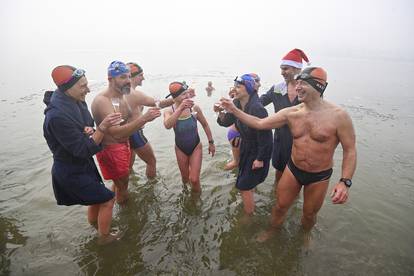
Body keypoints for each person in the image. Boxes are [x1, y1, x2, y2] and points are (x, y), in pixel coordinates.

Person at [220, 67, 357, 240]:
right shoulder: (292, 113)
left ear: (319, 86)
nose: (297, 87)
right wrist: (234, 110)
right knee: (279, 206)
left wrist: (345, 182)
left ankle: (305, 236)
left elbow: (350, 150)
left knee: (309, 214)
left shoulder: (339, 116)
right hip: (293, 169)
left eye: (302, 83)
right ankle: (272, 231)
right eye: (297, 83)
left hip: (319, 176)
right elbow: (260, 123)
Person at [43, 65, 123, 244]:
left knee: (96, 199)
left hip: (84, 165)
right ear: (66, 88)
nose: (87, 90)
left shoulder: (77, 100)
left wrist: (89, 130)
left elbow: (86, 124)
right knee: (108, 199)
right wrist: (102, 128)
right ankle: (104, 239)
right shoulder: (56, 117)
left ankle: (96, 226)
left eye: (87, 85)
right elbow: (82, 150)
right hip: (70, 170)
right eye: (82, 86)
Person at [91, 61, 161, 204]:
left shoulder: (123, 96)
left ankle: (116, 208)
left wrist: (178, 97)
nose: (128, 80)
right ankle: (126, 216)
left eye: (129, 76)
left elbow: (156, 103)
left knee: (122, 184)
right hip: (112, 150)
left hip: (124, 146)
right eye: (123, 77)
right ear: (110, 79)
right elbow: (116, 133)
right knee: (122, 188)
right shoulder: (102, 101)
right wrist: (144, 119)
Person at [215, 74, 272, 217]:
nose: (235, 89)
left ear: (248, 89)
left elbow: (266, 138)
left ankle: (248, 216)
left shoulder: (257, 108)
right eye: (235, 86)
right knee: (245, 181)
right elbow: (226, 122)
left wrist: (260, 159)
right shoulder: (237, 103)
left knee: (243, 186)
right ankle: (250, 204)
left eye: (238, 86)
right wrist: (220, 112)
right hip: (245, 147)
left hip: (257, 150)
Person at [260, 48, 309, 184]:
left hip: (301, 141)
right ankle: (276, 197)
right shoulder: (278, 88)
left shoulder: (307, 90)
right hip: (281, 139)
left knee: (297, 178)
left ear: (297, 69)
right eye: (281, 69)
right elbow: (260, 103)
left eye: (286, 68)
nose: (282, 72)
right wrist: (239, 101)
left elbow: (318, 111)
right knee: (279, 174)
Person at [163, 81, 215, 193]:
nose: (187, 96)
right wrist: (180, 109)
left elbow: (205, 125)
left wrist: (211, 142)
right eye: (183, 94)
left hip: (195, 146)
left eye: (187, 93)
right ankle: (186, 197)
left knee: (194, 179)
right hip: (180, 148)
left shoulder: (194, 108)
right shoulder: (169, 111)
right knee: (185, 179)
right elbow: (167, 125)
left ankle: (197, 202)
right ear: (174, 98)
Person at [124, 62, 174, 178]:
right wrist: (177, 97)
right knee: (151, 161)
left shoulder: (122, 92)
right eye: (141, 75)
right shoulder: (134, 93)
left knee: (128, 166)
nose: (143, 78)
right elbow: (158, 104)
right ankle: (152, 188)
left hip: (125, 133)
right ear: (132, 76)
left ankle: (127, 187)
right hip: (135, 134)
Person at [224, 73, 261, 170]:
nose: (259, 84)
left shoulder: (249, 98)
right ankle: (220, 174)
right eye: (256, 81)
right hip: (236, 134)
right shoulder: (239, 98)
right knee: (237, 163)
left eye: (259, 81)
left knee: (239, 162)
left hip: (240, 134)